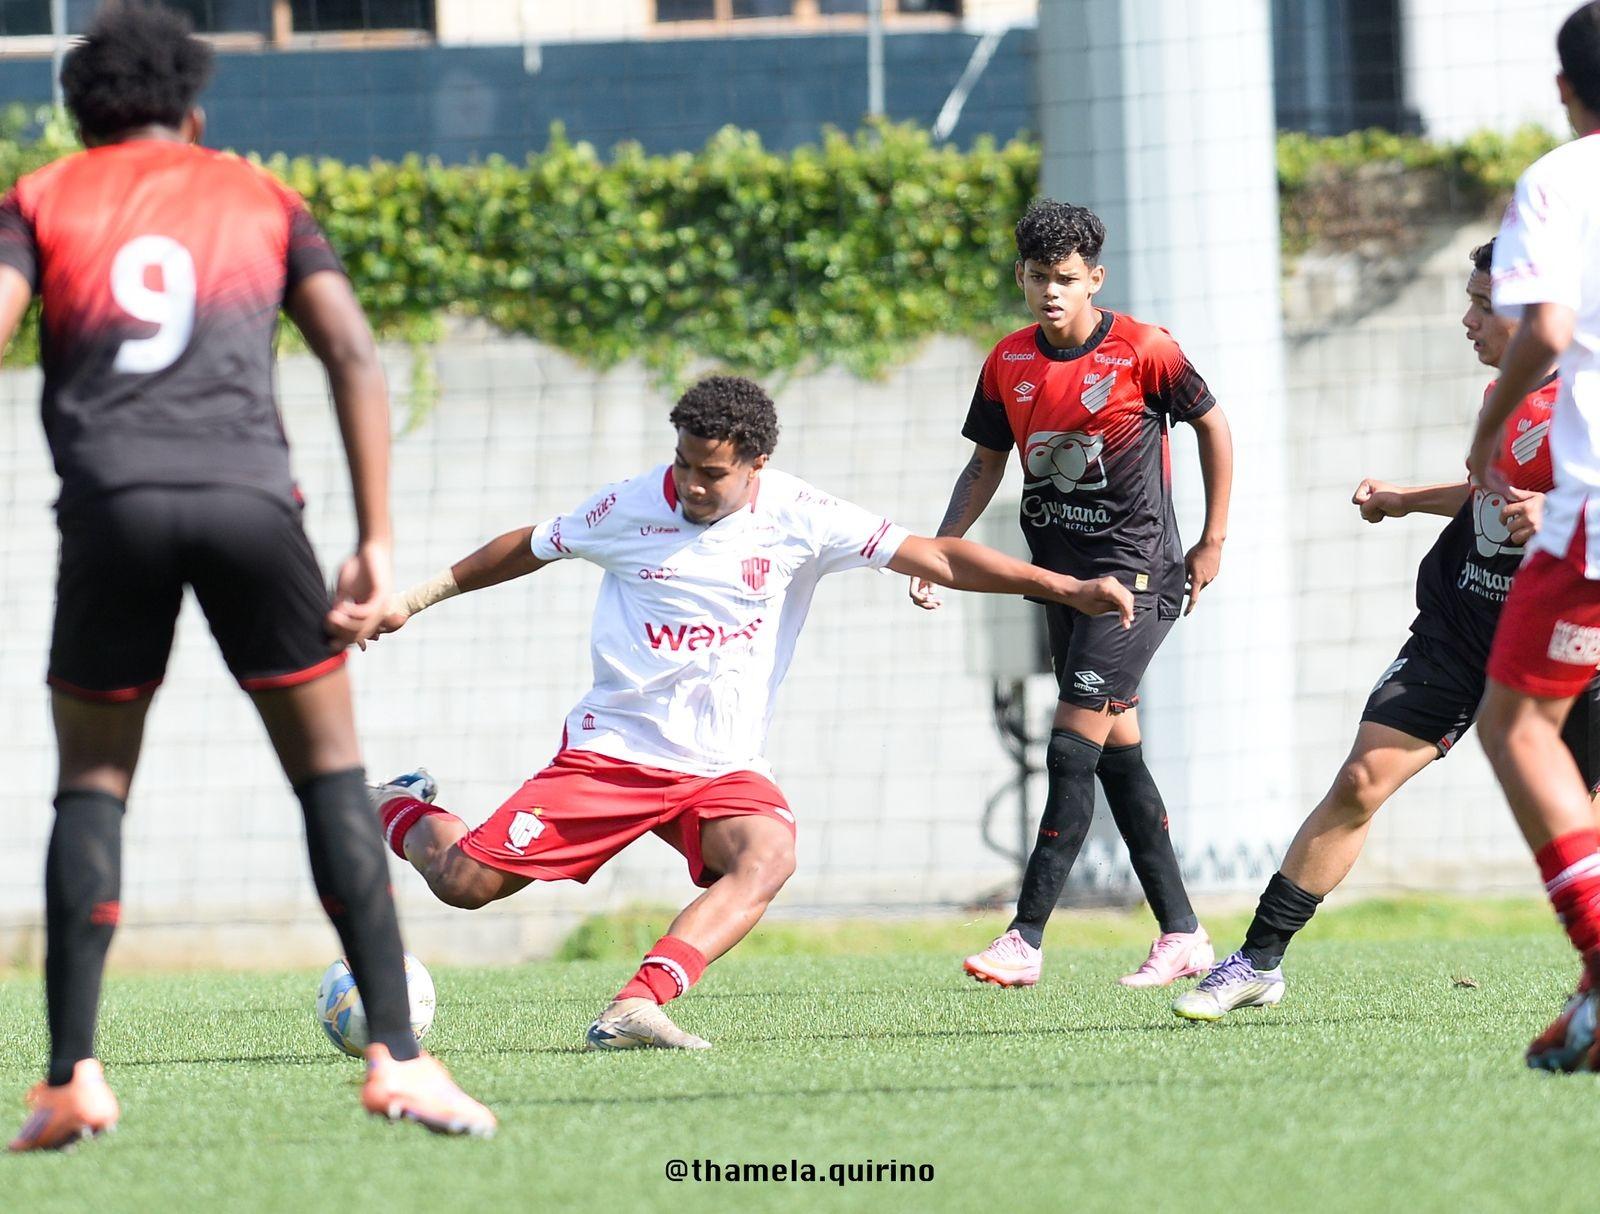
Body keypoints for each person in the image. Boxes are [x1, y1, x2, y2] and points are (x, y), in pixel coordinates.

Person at [0, 6, 492, 1149]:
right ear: (196, 109)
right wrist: (374, 535)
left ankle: (72, 1074)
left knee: (92, 786)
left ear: (77, 115)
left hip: (112, 510)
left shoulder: (39, 197)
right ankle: (399, 1061)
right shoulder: (257, 195)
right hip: (251, 507)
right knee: (330, 772)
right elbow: (353, 352)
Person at [366, 374, 1133, 1049]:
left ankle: (637, 1005)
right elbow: (528, 545)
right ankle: (394, 806)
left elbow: (936, 555)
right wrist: (411, 601)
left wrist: (1065, 590)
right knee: (464, 885)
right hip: (613, 755)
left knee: (768, 854)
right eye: (683, 465)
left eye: (712, 474)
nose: (691, 486)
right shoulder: (631, 505)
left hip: (720, 769)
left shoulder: (802, 514)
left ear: (756, 466)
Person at [1175, 240, 1600, 1021]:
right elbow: (1491, 497)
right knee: (1360, 780)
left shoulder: (1589, 396)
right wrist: (1408, 498)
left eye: (1483, 305)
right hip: (1462, 627)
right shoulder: (1506, 394)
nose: (1466, 320)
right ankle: (1256, 961)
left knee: (1583, 823)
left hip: (1566, 639)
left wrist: (1567, 516)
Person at [915, 199, 1234, 989]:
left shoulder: (1144, 349)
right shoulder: (1009, 361)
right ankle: (1185, 934)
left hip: (1135, 580)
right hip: (1063, 583)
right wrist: (939, 549)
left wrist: (1212, 540)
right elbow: (984, 464)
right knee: (1118, 759)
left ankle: (1024, 938)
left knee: (1069, 749)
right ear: (1020, 277)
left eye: (1066, 278)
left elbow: (1214, 426)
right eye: (1037, 277)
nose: (1051, 292)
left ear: (1095, 277)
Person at [1467, 0, 1600, 1073]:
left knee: (1516, 724)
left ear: (1564, 89)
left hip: (1591, 513)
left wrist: (1485, 422)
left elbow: (1545, 328)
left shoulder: (1560, 178)